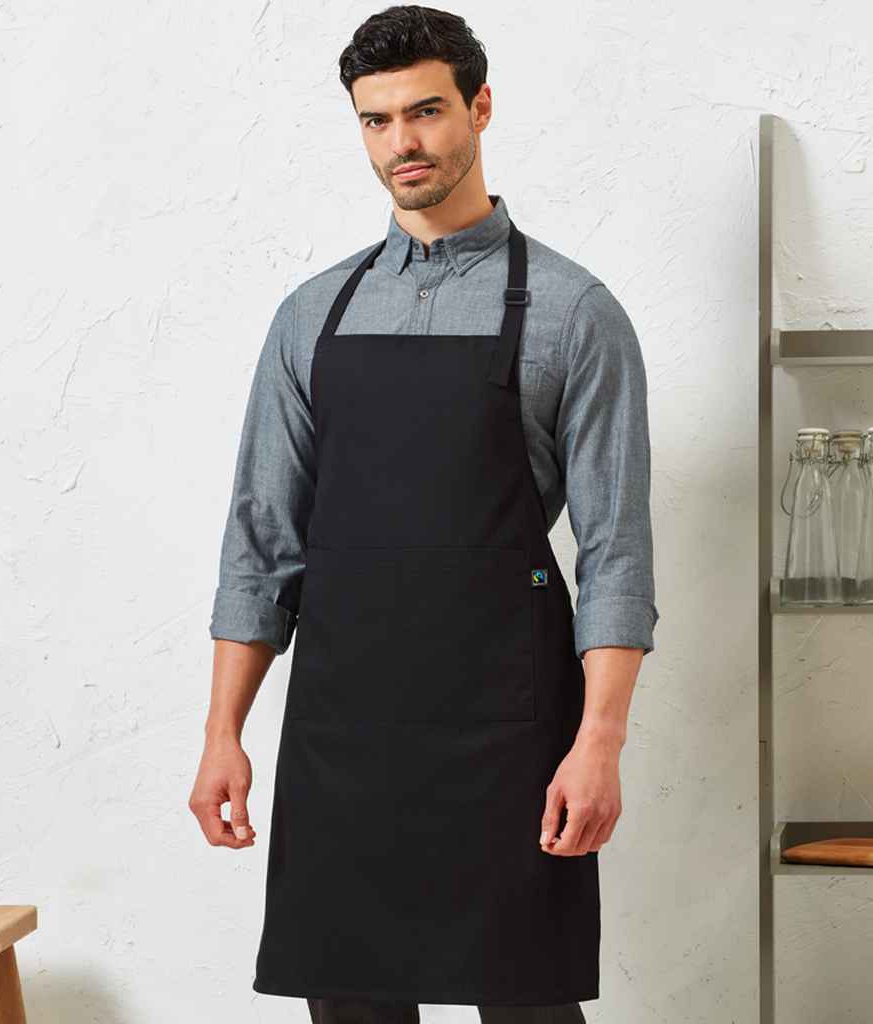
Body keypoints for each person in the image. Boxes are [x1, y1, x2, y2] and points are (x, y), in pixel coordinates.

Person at [189, 6, 659, 1023]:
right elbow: (261, 543)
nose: (401, 141)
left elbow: (617, 552)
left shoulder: (575, 312)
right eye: (377, 120)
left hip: (510, 730)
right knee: (348, 1007)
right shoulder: (312, 315)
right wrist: (223, 732)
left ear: (479, 108)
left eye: (426, 111)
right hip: (344, 733)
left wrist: (600, 742)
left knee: (529, 1003)